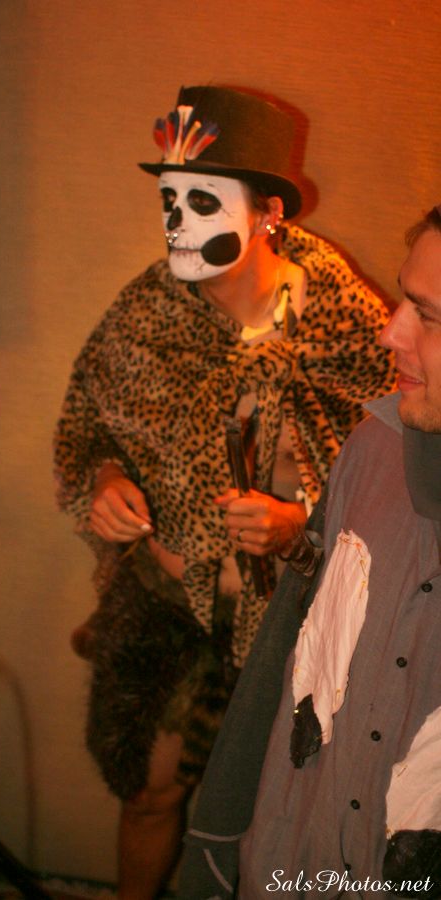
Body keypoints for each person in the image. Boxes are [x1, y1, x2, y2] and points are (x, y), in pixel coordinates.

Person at [53, 85, 394, 900]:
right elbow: (84, 428)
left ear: (269, 212)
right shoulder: (148, 314)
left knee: (277, 817)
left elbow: (395, 481)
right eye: (168, 200)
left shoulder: (345, 322)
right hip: (171, 612)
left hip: (296, 628)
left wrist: (299, 523)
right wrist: (104, 482)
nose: (177, 222)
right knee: (148, 794)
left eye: (202, 200)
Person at [178, 204, 441, 899]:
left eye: (428, 316)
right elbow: (292, 652)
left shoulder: (332, 302)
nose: (391, 332)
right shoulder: (374, 447)